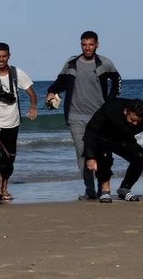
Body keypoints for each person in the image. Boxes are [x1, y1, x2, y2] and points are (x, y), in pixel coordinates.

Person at [45, 31, 122, 200]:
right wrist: (51, 92)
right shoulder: (72, 63)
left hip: (99, 116)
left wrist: (110, 101)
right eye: (84, 44)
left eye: (91, 44)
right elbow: (61, 82)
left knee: (101, 152)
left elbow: (117, 81)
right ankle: (90, 190)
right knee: (82, 153)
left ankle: (104, 188)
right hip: (75, 116)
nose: (87, 48)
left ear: (97, 45)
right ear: (81, 45)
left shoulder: (104, 63)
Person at [83, 98, 143, 203]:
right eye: (132, 120)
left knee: (141, 156)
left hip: (124, 139)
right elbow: (91, 131)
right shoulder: (111, 108)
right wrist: (90, 156)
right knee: (105, 156)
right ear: (126, 111)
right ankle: (105, 190)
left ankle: (124, 189)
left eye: (138, 122)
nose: (135, 124)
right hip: (102, 139)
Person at [0, 43, 39, 204]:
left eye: (4, 56)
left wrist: (33, 107)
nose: (1, 59)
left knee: (9, 160)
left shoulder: (18, 73)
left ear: (9, 56)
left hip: (12, 123)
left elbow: (31, 93)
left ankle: (4, 189)